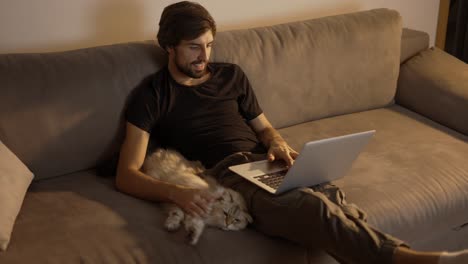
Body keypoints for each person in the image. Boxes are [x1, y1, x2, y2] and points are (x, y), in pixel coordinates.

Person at [115, 1, 468, 264]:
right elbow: (126, 175)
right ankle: (418, 261)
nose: (203, 56)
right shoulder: (153, 95)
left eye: (209, 45)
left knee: (336, 200)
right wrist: (176, 193)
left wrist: (278, 144)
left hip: (265, 164)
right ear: (169, 46)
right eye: (194, 47)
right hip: (228, 174)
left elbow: (264, 127)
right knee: (312, 209)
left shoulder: (231, 76)